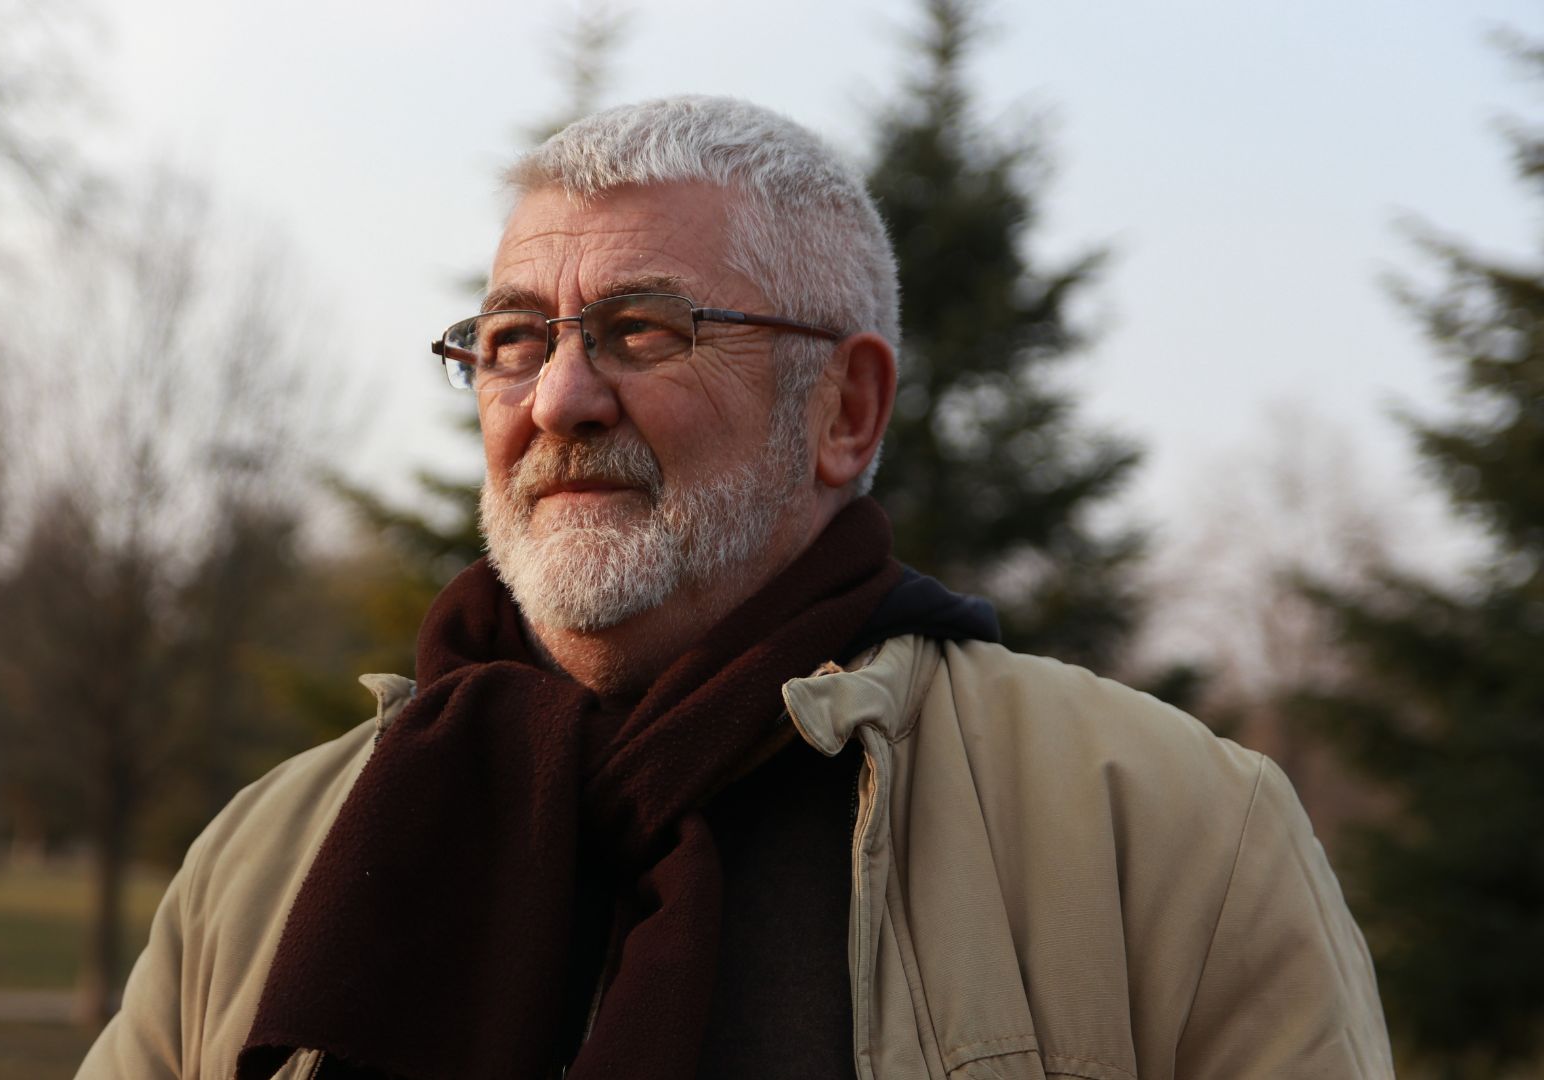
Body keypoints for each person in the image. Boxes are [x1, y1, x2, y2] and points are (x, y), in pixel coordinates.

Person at [77, 96, 1392, 1080]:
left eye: (645, 330)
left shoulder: (1170, 835)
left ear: (844, 407)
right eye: (516, 339)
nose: (559, 397)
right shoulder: (268, 855)